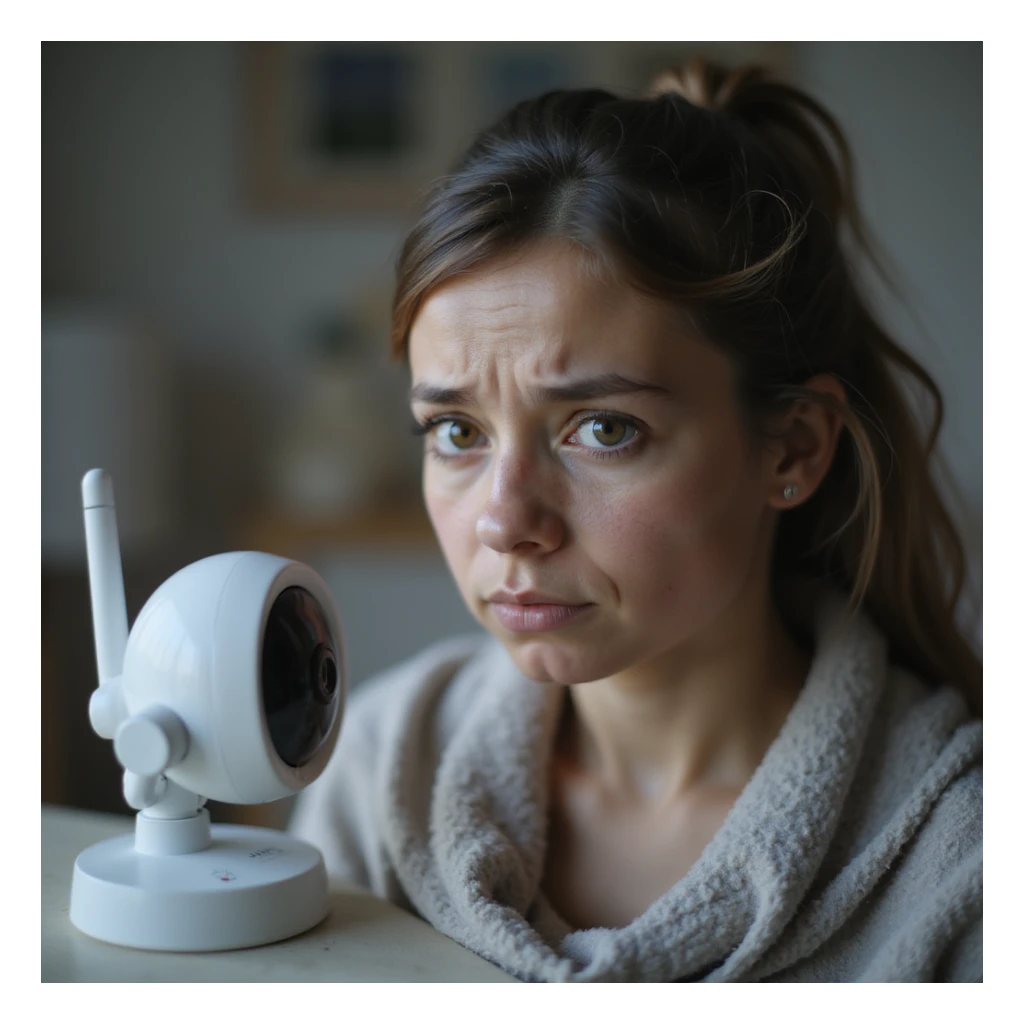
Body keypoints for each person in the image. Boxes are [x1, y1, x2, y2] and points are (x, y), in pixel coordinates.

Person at [289, 57, 982, 983]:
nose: (506, 522)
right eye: (456, 430)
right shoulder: (379, 771)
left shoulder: (965, 854)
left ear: (794, 450)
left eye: (603, 430)